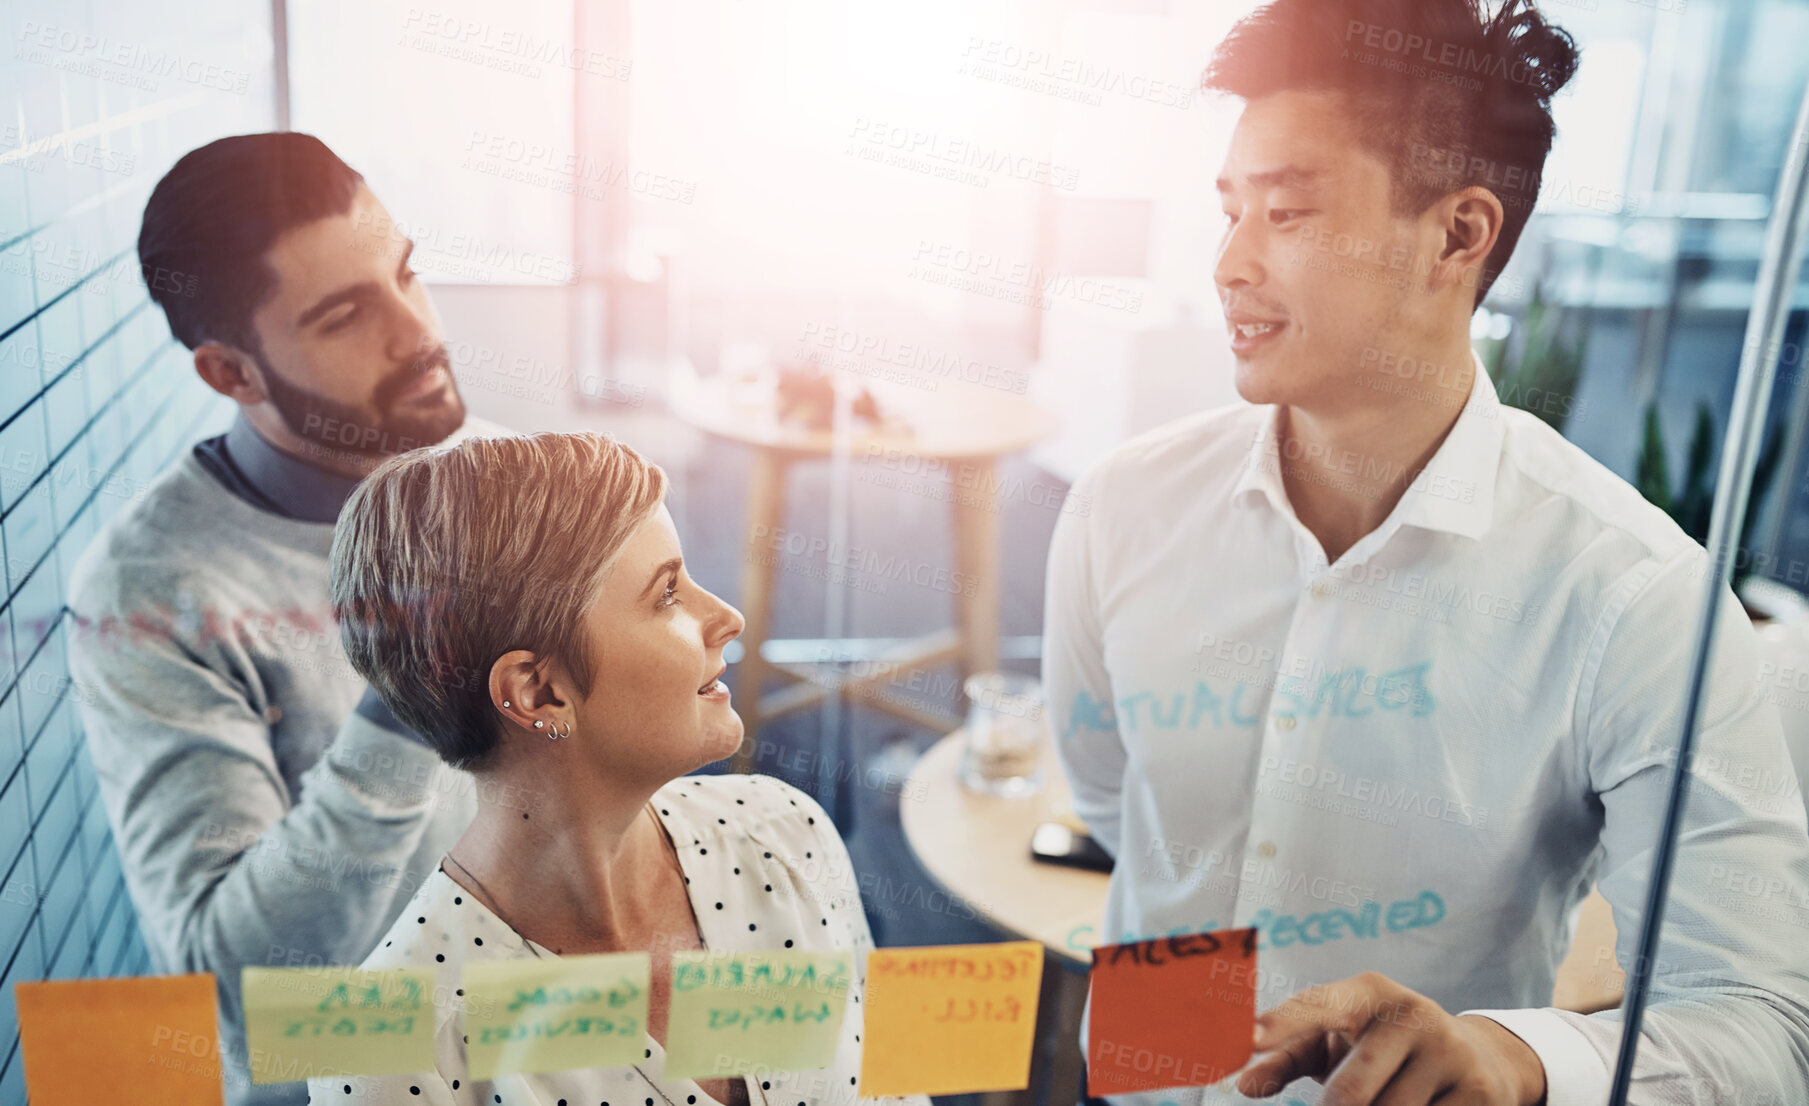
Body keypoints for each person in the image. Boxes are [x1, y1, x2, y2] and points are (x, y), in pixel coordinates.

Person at [1043, 1, 1809, 1104]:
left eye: (1288, 211)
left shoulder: (1636, 597)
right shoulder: (1124, 506)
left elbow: (1760, 1022)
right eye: (1230, 209)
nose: (1229, 261)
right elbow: (1132, 820)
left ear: (1458, 234)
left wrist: (1517, 1053)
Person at [65, 132, 508, 1104]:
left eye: (408, 274)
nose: (418, 332)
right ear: (232, 374)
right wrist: (403, 695)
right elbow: (240, 993)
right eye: (347, 314)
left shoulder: (501, 478)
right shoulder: (150, 593)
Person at [304, 432, 925, 1106]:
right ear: (539, 693)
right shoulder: (385, 1060)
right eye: (666, 596)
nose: (727, 617)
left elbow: (892, 1091)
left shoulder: (783, 833)